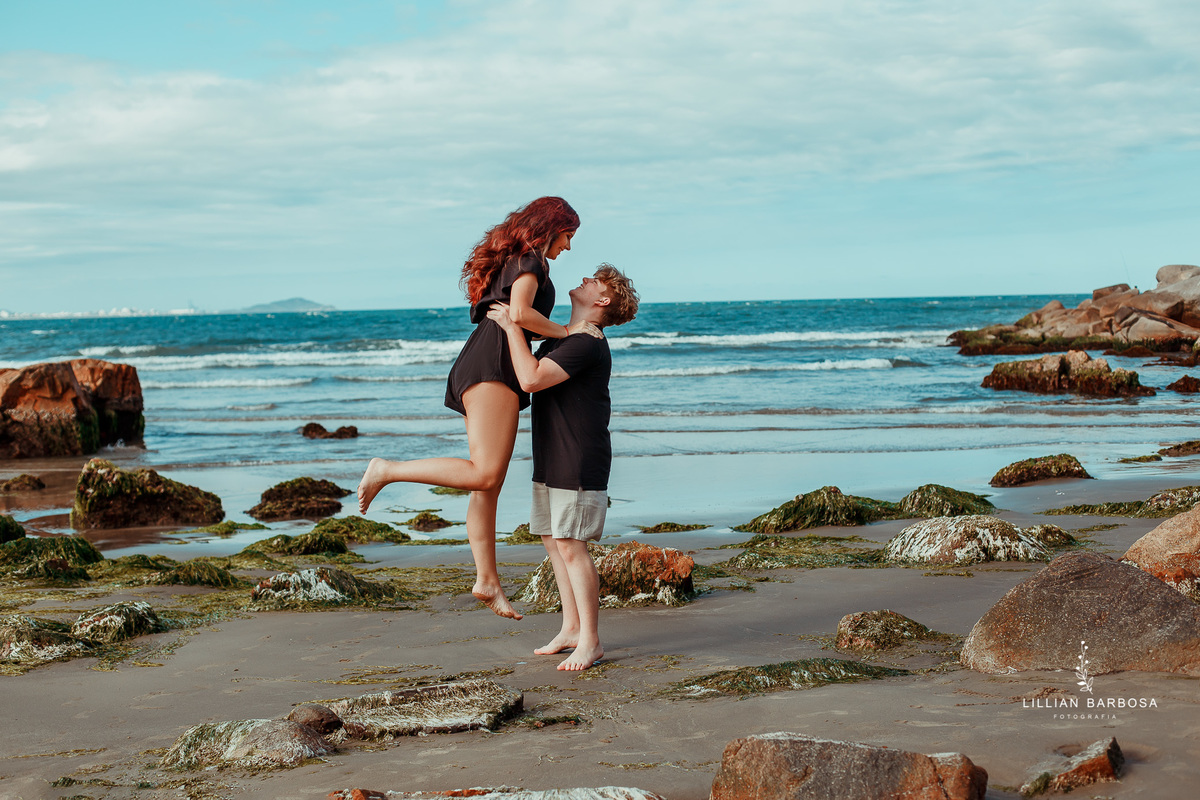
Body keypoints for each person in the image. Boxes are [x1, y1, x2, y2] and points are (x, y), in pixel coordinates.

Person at [357, 197, 595, 621]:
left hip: (486, 358)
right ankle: (387, 470)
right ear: (550, 227)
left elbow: (514, 314)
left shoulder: (518, 258)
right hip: (493, 365)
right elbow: (519, 313)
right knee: (485, 473)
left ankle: (487, 581)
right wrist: (566, 331)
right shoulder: (531, 260)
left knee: (487, 484)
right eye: (568, 235)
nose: (569, 246)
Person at [486, 264, 639, 670]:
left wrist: (512, 326)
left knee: (572, 545)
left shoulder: (587, 342)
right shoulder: (565, 338)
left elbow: (531, 379)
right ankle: (571, 628)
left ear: (602, 300)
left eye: (595, 281)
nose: (585, 279)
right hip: (553, 454)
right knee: (553, 540)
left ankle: (591, 641)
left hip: (578, 458)